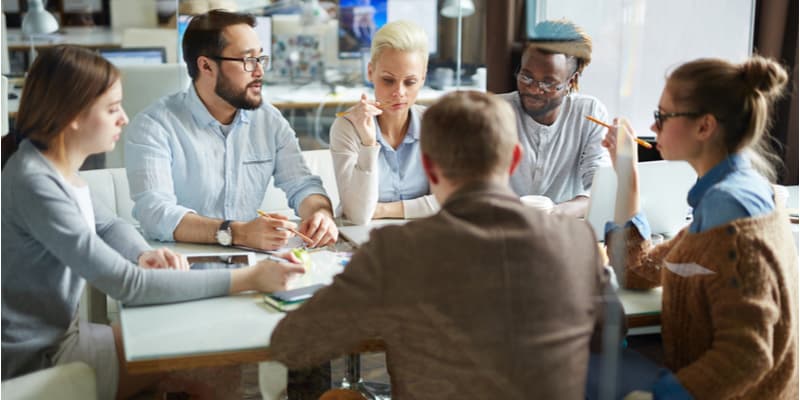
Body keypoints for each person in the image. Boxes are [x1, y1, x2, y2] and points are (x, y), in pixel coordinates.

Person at [1, 45, 305, 400]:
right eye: (112, 108)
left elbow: (110, 226)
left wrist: (145, 254)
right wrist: (250, 278)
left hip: (63, 339)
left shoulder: (49, 166)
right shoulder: (35, 182)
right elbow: (129, 286)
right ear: (74, 115)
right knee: (209, 358)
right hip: (39, 360)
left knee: (197, 351)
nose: (124, 119)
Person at [269, 91, 616, 398]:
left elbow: (293, 344)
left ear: (429, 168)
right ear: (513, 159)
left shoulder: (398, 251)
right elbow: (613, 332)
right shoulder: (578, 240)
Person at [602, 56, 797, 399]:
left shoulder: (730, 209)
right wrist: (626, 169)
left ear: (705, 127)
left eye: (663, 116)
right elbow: (642, 270)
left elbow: (747, 354)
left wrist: (660, 396)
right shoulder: (733, 192)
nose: (653, 125)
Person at [125, 9, 338, 251]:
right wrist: (237, 233)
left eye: (260, 59)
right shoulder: (155, 125)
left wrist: (320, 214)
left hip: (252, 262)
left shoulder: (268, 120)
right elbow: (155, 213)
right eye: (247, 60)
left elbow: (303, 185)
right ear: (206, 66)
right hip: (181, 267)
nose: (259, 71)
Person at [499, 19, 610, 217]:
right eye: (526, 77)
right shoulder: (497, 110)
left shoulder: (590, 113)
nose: (533, 89)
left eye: (548, 83)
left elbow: (599, 190)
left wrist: (555, 213)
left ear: (571, 81)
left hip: (563, 226)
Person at [331, 20, 438, 225]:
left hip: (422, 236)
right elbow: (359, 215)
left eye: (410, 82)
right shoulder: (347, 128)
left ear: (423, 77)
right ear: (370, 72)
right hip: (363, 240)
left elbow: (448, 202)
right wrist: (368, 144)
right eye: (388, 80)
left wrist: (382, 210)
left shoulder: (434, 125)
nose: (399, 92)